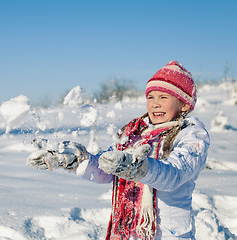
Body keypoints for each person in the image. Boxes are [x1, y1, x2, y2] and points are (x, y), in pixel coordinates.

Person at [27, 60, 210, 240]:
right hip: (129, 233)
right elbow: (107, 169)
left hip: (170, 234)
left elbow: (173, 175)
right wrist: (76, 160)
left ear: (184, 104)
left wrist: (138, 168)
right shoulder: (136, 132)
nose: (155, 104)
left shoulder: (191, 136)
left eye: (163, 97)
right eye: (150, 97)